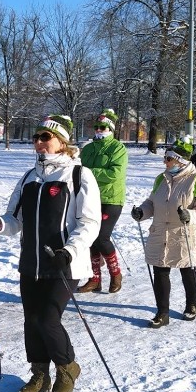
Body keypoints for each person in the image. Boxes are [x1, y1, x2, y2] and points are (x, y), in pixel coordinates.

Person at [0, 115, 101, 392]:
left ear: (62, 141)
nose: (38, 142)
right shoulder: (29, 177)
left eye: (45, 137)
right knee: (31, 321)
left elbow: (90, 222)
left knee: (48, 319)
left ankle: (67, 367)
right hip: (31, 263)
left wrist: (69, 251)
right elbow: (14, 219)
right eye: (36, 137)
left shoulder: (78, 175)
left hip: (64, 264)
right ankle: (39, 373)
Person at [131, 135, 196, 328]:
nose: (165, 162)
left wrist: (190, 215)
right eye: (165, 158)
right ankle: (162, 313)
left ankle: (192, 304)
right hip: (161, 232)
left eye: (168, 158)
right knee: (160, 271)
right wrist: (142, 212)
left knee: (187, 270)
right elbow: (152, 202)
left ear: (181, 161)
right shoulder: (161, 178)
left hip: (185, 234)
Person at [78, 108, 128, 294]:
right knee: (90, 237)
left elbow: (115, 174)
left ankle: (115, 273)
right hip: (90, 198)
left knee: (102, 237)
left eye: (103, 127)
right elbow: (78, 169)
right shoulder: (89, 148)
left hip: (111, 199)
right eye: (97, 126)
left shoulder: (118, 148)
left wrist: (89, 173)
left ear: (111, 128)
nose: (99, 130)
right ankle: (94, 278)